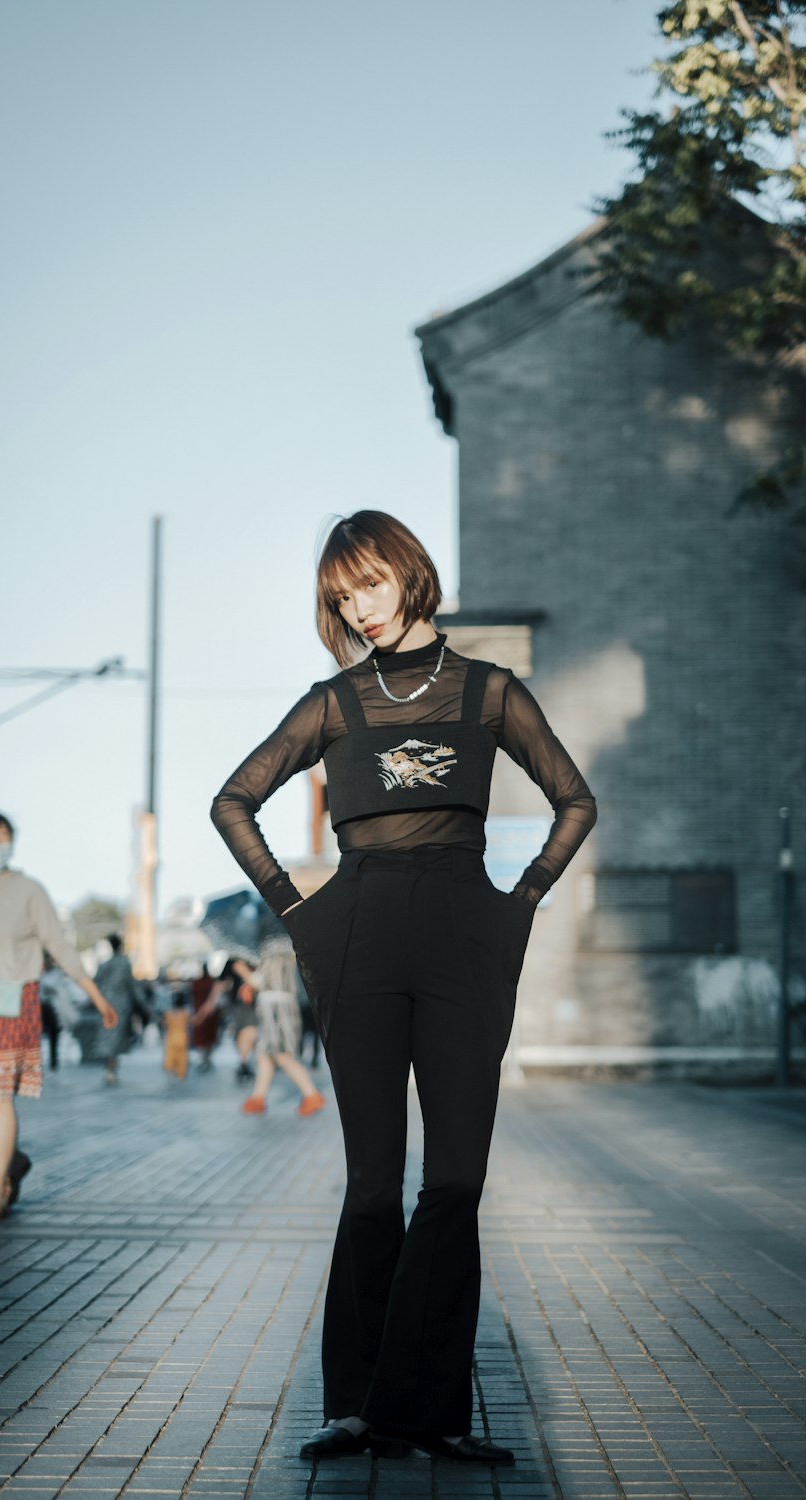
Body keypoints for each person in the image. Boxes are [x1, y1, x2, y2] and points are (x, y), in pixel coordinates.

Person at [211, 511, 596, 1466]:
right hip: (361, 934)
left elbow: (575, 799)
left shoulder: (490, 695)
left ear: (411, 575)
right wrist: (298, 912)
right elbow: (234, 800)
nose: (359, 609)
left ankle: (432, 1411)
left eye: (370, 585)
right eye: (342, 597)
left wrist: (522, 902)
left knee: (456, 1182)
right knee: (373, 1184)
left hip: (468, 932)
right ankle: (358, 1407)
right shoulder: (336, 703)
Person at [0, 811, 117, 1223]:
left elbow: (58, 945)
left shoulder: (28, 890)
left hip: (14, 1000)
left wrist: (96, 994)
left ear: (12, 839)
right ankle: (13, 1159)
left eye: (1, 833)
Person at [239, 936, 325, 1116]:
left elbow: (262, 981)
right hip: (278, 1004)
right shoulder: (286, 943)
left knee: (281, 1053)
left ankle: (312, 1094)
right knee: (265, 1053)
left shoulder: (273, 946)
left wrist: (242, 971)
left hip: (276, 1006)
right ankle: (258, 1097)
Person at [94, 934, 148, 1085]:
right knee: (115, 1039)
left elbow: (96, 983)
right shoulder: (124, 963)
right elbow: (132, 986)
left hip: (105, 1004)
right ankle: (112, 1069)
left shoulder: (104, 965)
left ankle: (109, 1069)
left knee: (107, 1036)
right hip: (121, 1006)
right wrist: (143, 1005)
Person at [190, 962, 220, 1072]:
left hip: (201, 1010)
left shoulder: (197, 982)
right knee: (207, 1036)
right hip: (209, 1012)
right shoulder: (211, 981)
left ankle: (204, 1058)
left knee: (203, 1035)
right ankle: (206, 1057)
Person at [162, 985, 191, 1081]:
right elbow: (192, 1022)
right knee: (182, 1056)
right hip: (183, 1036)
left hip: (171, 1037)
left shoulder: (168, 1013)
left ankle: (172, 1070)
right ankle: (181, 1074)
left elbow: (164, 1024)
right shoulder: (186, 1013)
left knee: (171, 1055)